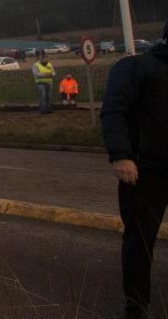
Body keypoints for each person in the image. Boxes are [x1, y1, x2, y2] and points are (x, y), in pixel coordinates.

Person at [101, 21, 168, 319]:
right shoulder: (137, 67)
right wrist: (122, 156)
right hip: (145, 171)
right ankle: (137, 304)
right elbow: (114, 110)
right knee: (140, 240)